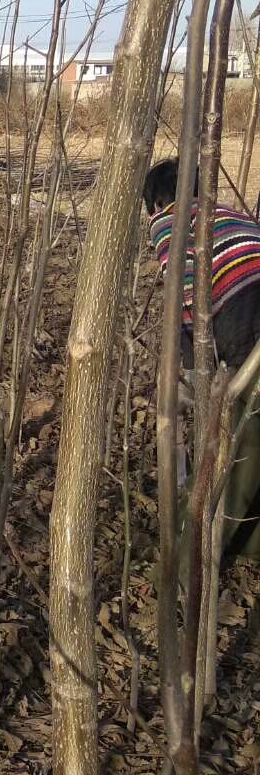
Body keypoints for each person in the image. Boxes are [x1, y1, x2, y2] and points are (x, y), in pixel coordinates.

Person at [143, 157, 260, 561]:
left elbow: (186, 298)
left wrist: (190, 367)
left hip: (243, 319)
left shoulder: (165, 224)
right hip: (247, 304)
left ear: (156, 201)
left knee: (246, 433)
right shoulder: (226, 214)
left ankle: (198, 549)